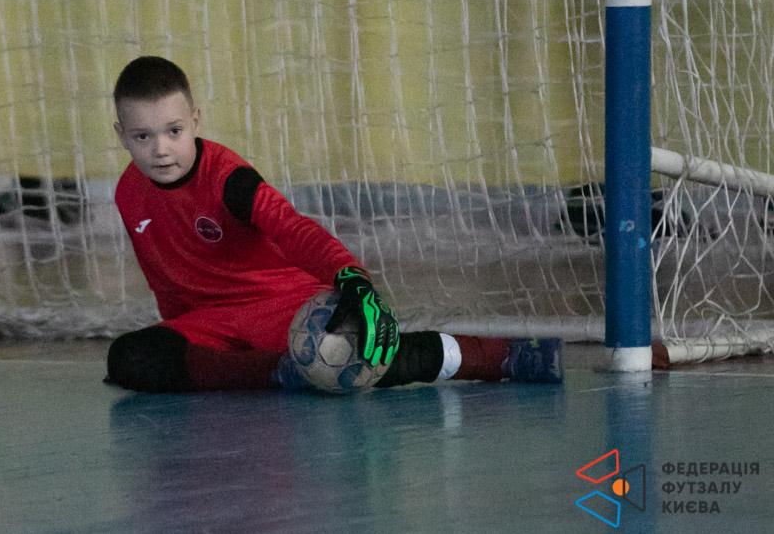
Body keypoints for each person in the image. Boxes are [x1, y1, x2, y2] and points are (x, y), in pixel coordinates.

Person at [105, 56, 563, 392]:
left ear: (195, 121)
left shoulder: (228, 179)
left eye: (174, 131)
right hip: (209, 323)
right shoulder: (128, 192)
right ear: (122, 136)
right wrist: (181, 342)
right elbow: (167, 282)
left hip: (283, 305)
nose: (161, 149)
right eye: (143, 136)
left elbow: (293, 228)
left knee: (358, 355)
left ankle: (507, 356)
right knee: (129, 358)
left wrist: (351, 278)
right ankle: (282, 372)